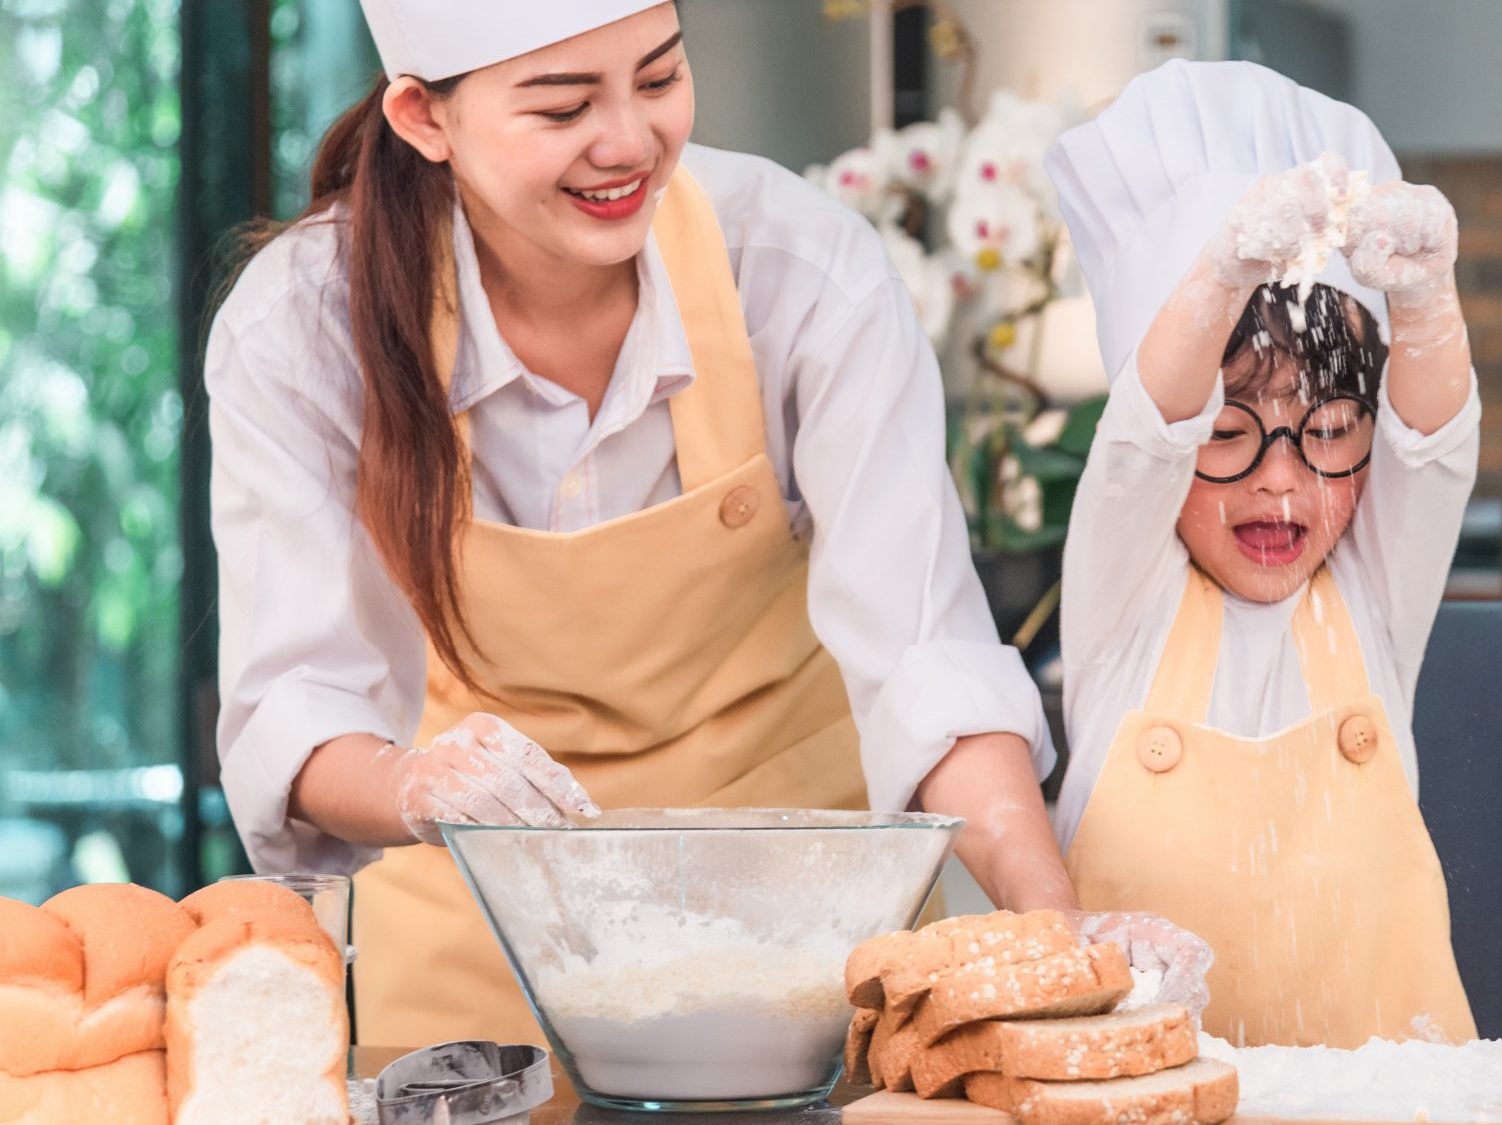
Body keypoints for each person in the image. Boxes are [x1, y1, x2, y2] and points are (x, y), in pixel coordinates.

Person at [207, 0, 1079, 1045]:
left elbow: (926, 655)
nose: (628, 143)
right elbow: (292, 704)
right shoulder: (302, 320)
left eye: (658, 79)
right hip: (475, 944)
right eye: (564, 105)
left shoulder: (801, 273)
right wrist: (418, 786)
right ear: (422, 118)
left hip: (806, 932)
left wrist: (1058, 932)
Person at [1045, 59, 1482, 1048]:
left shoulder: (1371, 591)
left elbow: (1434, 447)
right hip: (1139, 1103)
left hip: (1391, 1112)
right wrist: (1220, 275)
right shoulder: (1125, 593)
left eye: (1327, 431)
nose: (1281, 484)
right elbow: (1142, 436)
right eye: (1228, 434)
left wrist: (1424, 308)